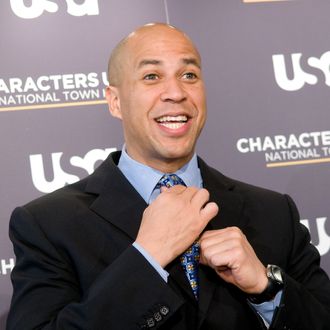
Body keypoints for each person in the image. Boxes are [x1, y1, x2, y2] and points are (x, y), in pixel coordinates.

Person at [7, 23, 330, 330]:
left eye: (189, 74)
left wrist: (265, 287)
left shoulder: (274, 213)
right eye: (151, 76)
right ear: (115, 101)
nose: (175, 92)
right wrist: (146, 258)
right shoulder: (47, 224)